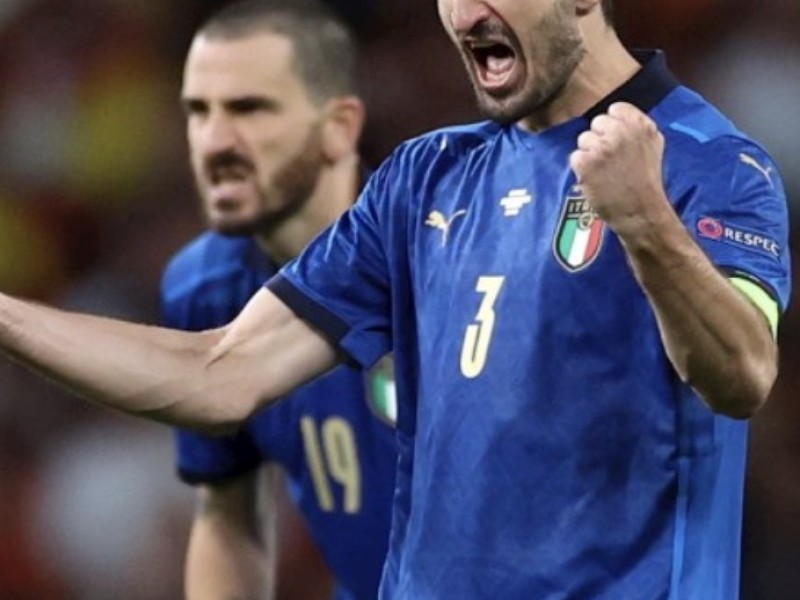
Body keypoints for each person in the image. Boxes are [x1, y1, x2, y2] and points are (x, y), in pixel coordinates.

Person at [0, 0, 791, 598]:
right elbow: (220, 372)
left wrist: (645, 223)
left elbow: (742, 374)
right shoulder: (425, 178)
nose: (464, 15)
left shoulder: (710, 161)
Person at [161, 1, 396, 599]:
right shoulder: (204, 288)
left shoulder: (434, 255)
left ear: (339, 126)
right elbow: (227, 511)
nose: (214, 141)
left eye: (249, 108)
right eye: (198, 111)